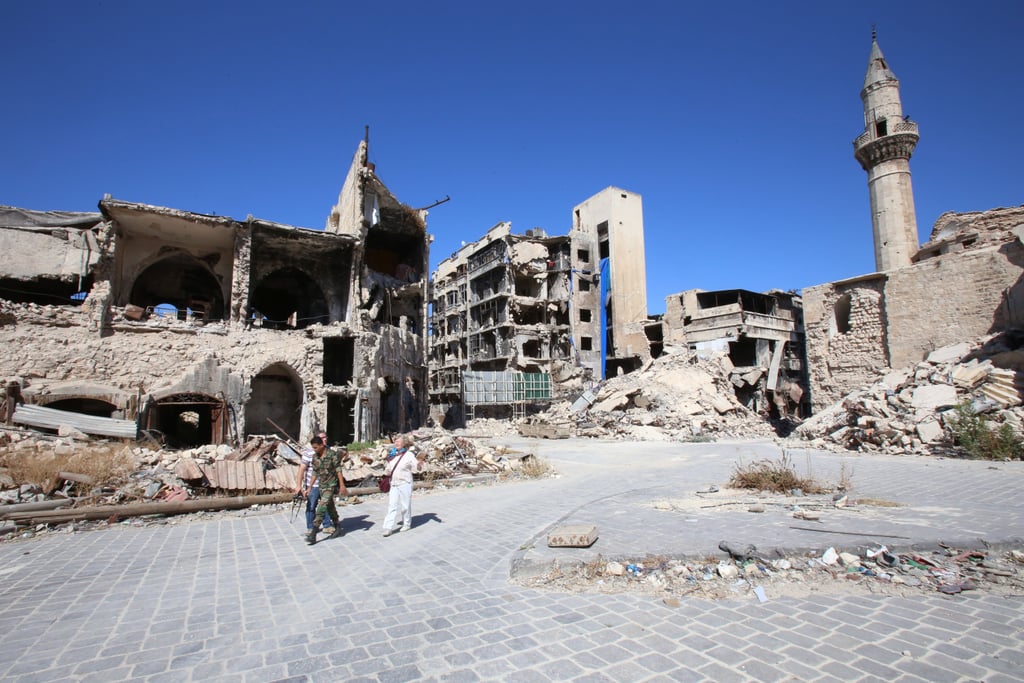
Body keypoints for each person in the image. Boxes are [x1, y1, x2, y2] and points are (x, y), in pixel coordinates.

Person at [305, 435, 349, 546]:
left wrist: (342, 485)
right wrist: (310, 487)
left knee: (321, 507)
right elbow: (315, 472)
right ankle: (337, 526)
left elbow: (338, 470)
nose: (314, 449)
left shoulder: (332, 455)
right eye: (313, 447)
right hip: (322, 486)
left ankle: (313, 533)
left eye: (316, 447)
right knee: (330, 507)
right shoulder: (315, 457)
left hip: (331, 485)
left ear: (321, 445)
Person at [381, 434, 425, 537]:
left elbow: (417, 467)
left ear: (404, 443)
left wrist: (419, 464)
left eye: (398, 441)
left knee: (405, 505)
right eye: (395, 441)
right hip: (394, 484)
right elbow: (388, 468)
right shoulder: (392, 454)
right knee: (392, 505)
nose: (396, 443)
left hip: (405, 483)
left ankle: (406, 524)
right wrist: (387, 471)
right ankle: (388, 528)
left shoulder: (409, 455)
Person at [293, 432, 333, 537]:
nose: (325, 439)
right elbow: (302, 469)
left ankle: (327, 525)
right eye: (322, 438)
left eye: (325, 437)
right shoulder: (309, 453)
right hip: (313, 485)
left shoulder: (328, 451)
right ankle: (311, 527)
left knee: (326, 504)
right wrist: (298, 486)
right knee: (311, 505)